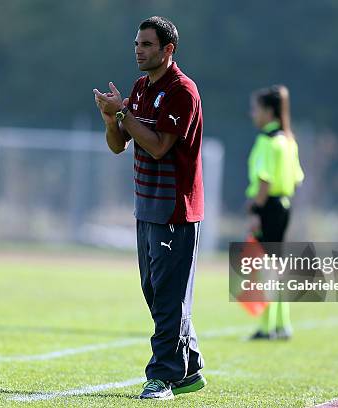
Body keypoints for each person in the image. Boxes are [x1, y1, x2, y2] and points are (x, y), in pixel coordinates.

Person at [93, 16, 206, 400]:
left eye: (147, 45)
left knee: (168, 296)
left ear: (167, 50)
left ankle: (163, 378)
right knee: (156, 293)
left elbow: (159, 146)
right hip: (146, 207)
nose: (138, 51)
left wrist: (124, 115)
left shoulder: (182, 91)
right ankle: (188, 368)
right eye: (136, 44)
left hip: (175, 211)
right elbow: (118, 144)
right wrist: (112, 119)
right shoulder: (141, 87)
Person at [246, 85, 304, 341]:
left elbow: (264, 180)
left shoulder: (266, 141)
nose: (252, 114)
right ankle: (283, 324)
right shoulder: (289, 140)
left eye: (255, 109)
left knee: (264, 267)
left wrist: (256, 209)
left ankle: (266, 327)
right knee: (277, 266)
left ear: (268, 111)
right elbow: (297, 179)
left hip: (268, 206)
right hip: (284, 205)